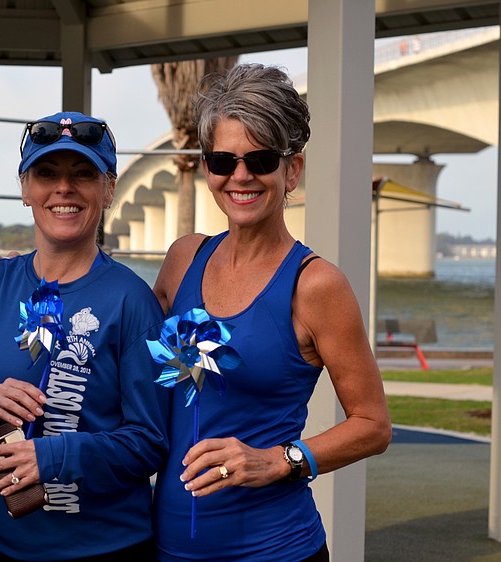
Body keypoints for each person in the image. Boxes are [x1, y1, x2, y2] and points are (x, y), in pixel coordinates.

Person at [150, 63, 392, 561]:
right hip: (167, 546)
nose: (240, 176)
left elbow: (373, 424)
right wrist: (11, 276)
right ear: (206, 166)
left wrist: (281, 459)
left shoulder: (315, 284)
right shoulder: (183, 259)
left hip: (277, 548)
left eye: (260, 159)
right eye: (223, 160)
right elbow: (114, 340)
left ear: (292, 170)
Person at [0, 111, 168, 561]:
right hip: (0, 547)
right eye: (46, 173)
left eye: (83, 173)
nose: (63, 188)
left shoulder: (132, 301)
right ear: (26, 188)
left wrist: (51, 457)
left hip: (106, 550)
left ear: (108, 188)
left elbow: (149, 444)